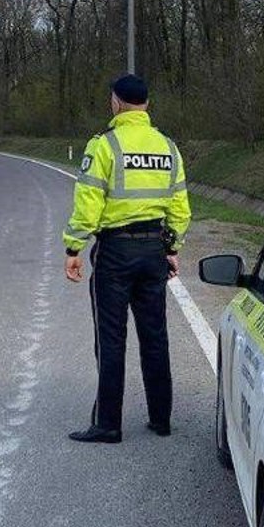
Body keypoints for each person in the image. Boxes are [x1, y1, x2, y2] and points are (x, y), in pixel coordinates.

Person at [63, 74, 191, 444]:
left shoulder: (104, 145)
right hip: (154, 250)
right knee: (155, 336)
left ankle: (108, 424)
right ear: (147, 105)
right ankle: (160, 418)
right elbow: (180, 206)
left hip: (116, 253)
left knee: (111, 338)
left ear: (116, 103)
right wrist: (172, 248)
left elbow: (88, 203)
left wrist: (74, 248)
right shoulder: (168, 147)